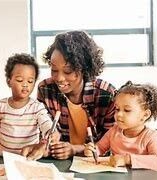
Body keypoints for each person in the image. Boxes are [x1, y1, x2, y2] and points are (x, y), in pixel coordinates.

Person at [22, 30, 116, 160]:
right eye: (54, 70)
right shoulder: (46, 90)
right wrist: (43, 146)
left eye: (68, 71)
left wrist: (75, 149)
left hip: (95, 164)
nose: (59, 78)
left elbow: (111, 144)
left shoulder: (106, 94)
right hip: (60, 165)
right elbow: (47, 135)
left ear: (84, 68)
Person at [0, 53, 58, 159]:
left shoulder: (37, 107)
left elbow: (46, 123)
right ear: (9, 81)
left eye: (30, 81)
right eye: (20, 80)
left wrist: (50, 131)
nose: (25, 84)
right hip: (1, 157)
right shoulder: (0, 106)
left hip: (26, 158)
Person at [84, 81, 157, 170]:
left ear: (145, 115)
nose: (119, 114)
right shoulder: (114, 131)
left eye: (127, 110)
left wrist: (126, 159)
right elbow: (100, 147)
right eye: (117, 109)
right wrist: (92, 150)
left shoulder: (151, 137)